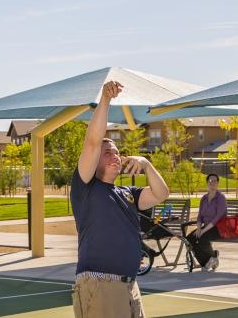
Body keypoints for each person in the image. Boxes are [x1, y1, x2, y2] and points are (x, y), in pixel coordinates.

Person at [70, 80, 170, 318]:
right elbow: (93, 142)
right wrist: (105, 99)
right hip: (100, 285)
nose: (115, 155)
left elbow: (161, 194)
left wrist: (146, 164)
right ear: (94, 162)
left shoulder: (127, 194)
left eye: (117, 151)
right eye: (108, 153)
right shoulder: (86, 187)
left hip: (128, 285)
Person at [187, 173, 226, 271]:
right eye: (210, 181)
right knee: (190, 238)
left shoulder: (221, 198)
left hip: (218, 228)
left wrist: (203, 231)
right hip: (206, 226)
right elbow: (200, 215)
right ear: (207, 183)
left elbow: (217, 217)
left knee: (202, 238)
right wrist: (199, 228)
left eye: (215, 181)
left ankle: (211, 258)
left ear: (217, 183)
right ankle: (207, 260)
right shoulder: (204, 198)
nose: (212, 183)